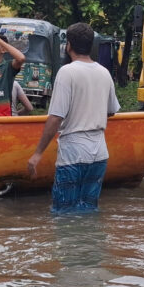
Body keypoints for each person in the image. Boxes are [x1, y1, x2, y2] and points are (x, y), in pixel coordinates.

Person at [28, 23, 120, 213]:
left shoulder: (67, 72)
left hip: (73, 154)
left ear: (68, 45)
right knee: (89, 209)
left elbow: (55, 117)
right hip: (99, 154)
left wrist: (37, 154)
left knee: (64, 212)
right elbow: (111, 111)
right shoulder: (104, 73)